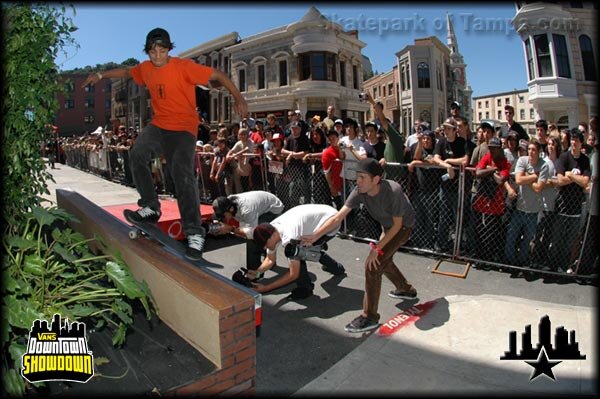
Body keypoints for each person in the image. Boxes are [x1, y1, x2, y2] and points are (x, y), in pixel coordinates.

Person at [83, 28, 248, 260]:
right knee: (137, 153)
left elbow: (219, 75)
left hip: (183, 128)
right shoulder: (145, 68)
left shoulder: (183, 67)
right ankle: (151, 207)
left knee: (181, 172)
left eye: (162, 50)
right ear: (148, 52)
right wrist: (100, 75)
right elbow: (127, 72)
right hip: (160, 125)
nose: (157, 56)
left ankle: (194, 233)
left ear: (169, 49)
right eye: (152, 51)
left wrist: (239, 98)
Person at [302, 158, 416, 333]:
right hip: (388, 226)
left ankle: (369, 317)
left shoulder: (393, 190)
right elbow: (337, 217)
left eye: (362, 177)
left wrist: (376, 248)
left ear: (376, 179)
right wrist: (315, 236)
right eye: (357, 176)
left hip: (403, 227)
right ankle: (405, 289)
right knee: (382, 261)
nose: (358, 181)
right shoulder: (359, 191)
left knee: (373, 265)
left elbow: (397, 226)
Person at [250, 204, 346, 299]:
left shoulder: (289, 236)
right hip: (318, 217)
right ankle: (337, 268)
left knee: (296, 252)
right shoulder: (271, 229)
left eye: (265, 244)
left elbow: (293, 274)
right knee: (307, 251)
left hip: (331, 221)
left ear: (272, 236)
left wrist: (266, 288)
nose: (264, 248)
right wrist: (257, 272)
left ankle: (305, 288)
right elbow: (270, 259)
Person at [548, 129, 590, 272]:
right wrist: (574, 179)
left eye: (576, 140)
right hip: (563, 205)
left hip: (576, 207)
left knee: (570, 240)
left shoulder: (584, 160)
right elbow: (559, 180)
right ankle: (553, 266)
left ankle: (564, 264)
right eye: (572, 140)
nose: (573, 142)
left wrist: (570, 176)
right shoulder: (565, 157)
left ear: (581, 143)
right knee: (557, 238)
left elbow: (585, 182)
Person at [212, 191, 284, 270]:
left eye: (223, 216)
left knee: (255, 237)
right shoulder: (228, 203)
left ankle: (253, 271)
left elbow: (251, 233)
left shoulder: (247, 210)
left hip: (273, 208)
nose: (222, 219)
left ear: (231, 209)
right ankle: (268, 259)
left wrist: (230, 229)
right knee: (250, 234)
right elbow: (243, 229)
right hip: (260, 208)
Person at [503, 141, 547, 266]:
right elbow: (518, 179)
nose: (531, 152)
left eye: (534, 150)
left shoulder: (543, 165)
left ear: (539, 152)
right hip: (519, 208)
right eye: (529, 149)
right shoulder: (522, 160)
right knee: (511, 236)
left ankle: (522, 262)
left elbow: (538, 188)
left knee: (527, 240)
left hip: (533, 211)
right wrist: (534, 176)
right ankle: (509, 262)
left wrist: (527, 176)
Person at [472, 137, 511, 263]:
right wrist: (494, 170)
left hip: (496, 203)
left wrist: (489, 171)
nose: (492, 151)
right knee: (479, 229)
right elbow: (478, 172)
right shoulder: (488, 156)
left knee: (493, 232)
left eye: (494, 148)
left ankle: (490, 258)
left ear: (500, 149)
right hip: (483, 199)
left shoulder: (505, 162)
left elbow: (500, 181)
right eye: (490, 148)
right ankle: (480, 257)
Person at [432, 118, 469, 253]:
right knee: (443, 216)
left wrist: (449, 160)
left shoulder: (461, 142)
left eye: (448, 128)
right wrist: (448, 166)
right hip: (445, 186)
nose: (446, 131)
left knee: (458, 216)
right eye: (445, 128)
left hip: (458, 187)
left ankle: (460, 244)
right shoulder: (441, 142)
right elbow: (435, 158)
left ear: (454, 130)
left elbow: (465, 160)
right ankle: (441, 244)